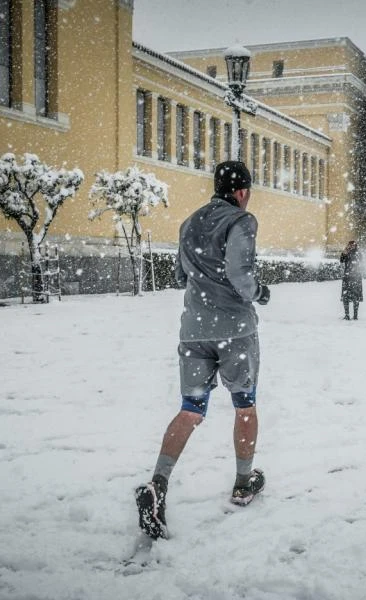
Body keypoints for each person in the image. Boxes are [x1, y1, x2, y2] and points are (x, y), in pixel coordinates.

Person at [135, 161, 270, 540]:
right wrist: (259, 292)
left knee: (191, 410)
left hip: (194, 331)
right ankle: (243, 482)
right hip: (234, 332)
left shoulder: (189, 222)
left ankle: (158, 484)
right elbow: (241, 276)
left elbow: (181, 275)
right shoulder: (242, 221)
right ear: (241, 192)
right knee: (244, 406)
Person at [339, 240, 363, 320]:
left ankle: (355, 315)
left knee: (355, 296)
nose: (351, 246)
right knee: (346, 297)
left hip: (356, 277)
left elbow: (359, 262)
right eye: (350, 245)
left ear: (355, 246)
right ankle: (347, 315)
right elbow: (341, 260)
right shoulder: (346, 252)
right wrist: (344, 253)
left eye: (353, 245)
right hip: (347, 277)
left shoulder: (358, 253)